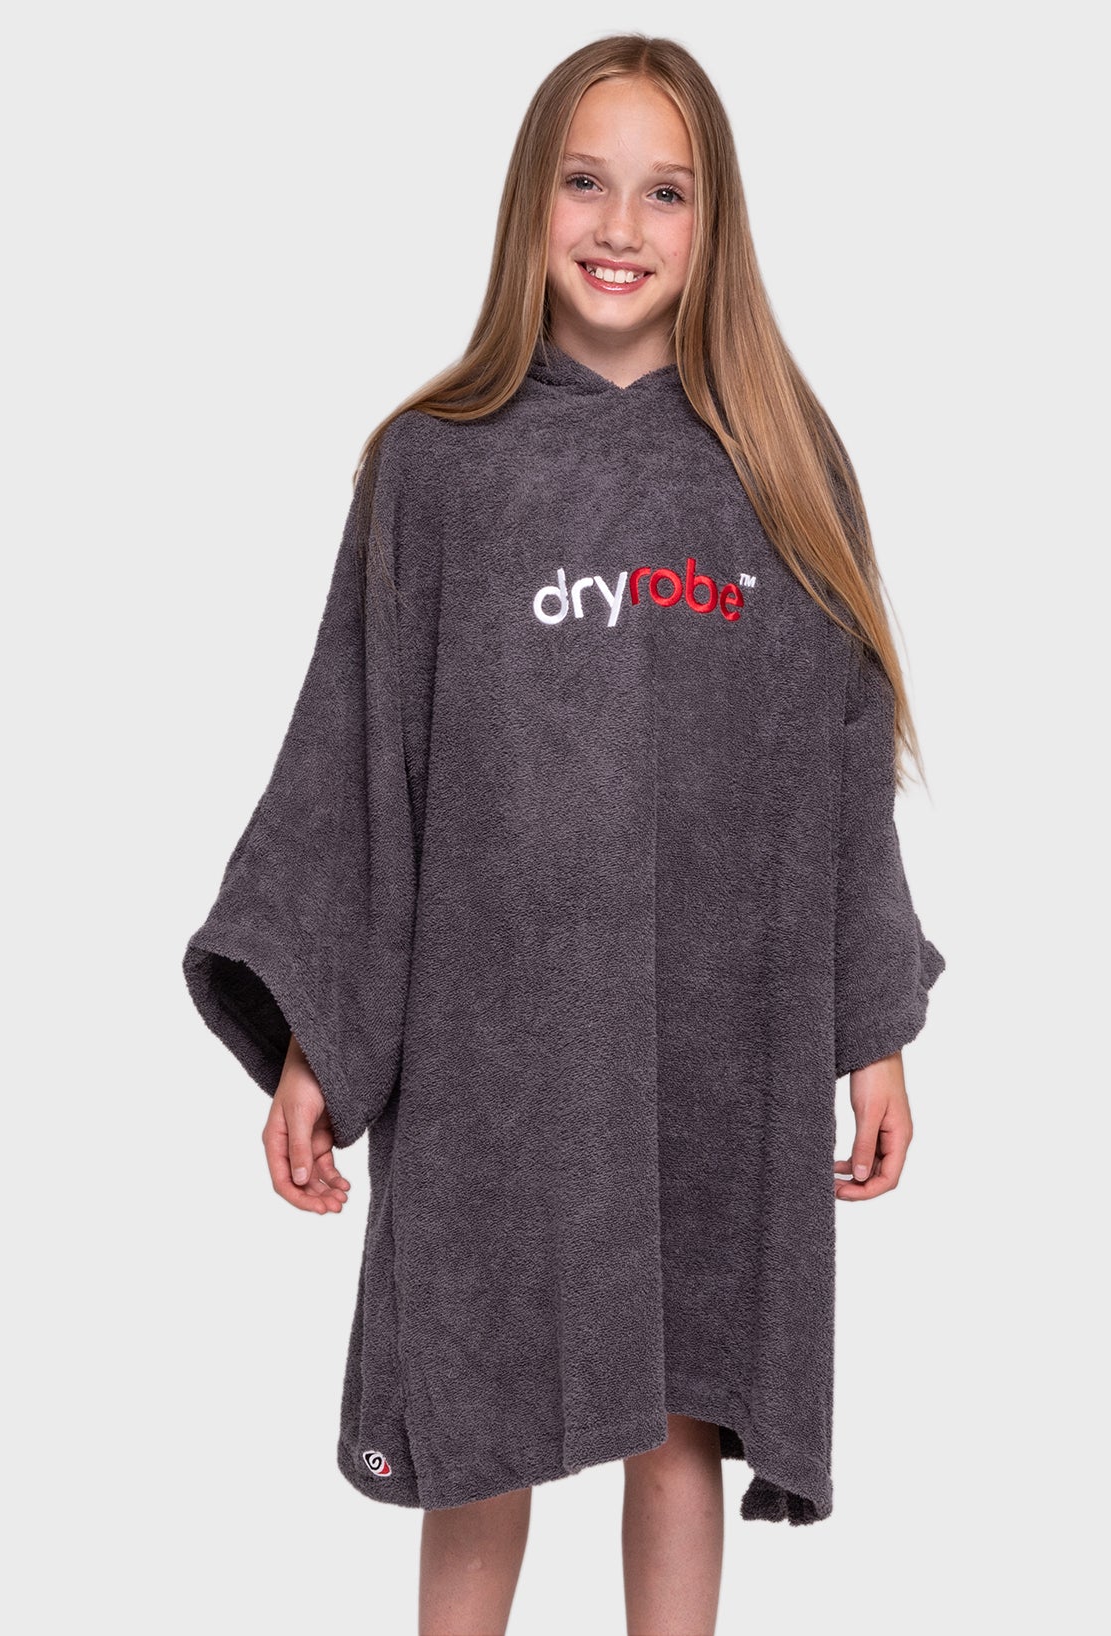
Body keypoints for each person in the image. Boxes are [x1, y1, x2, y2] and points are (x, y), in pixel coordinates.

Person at [182, 32, 944, 1636]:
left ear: (715, 222)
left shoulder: (783, 473)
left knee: (680, 1416)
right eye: (587, 182)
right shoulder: (435, 470)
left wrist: (870, 1028)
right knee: (481, 1427)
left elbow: (841, 761)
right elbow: (358, 759)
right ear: (532, 199)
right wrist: (323, 1034)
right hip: (495, 1052)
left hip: (713, 1044)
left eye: (667, 192)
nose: (620, 226)